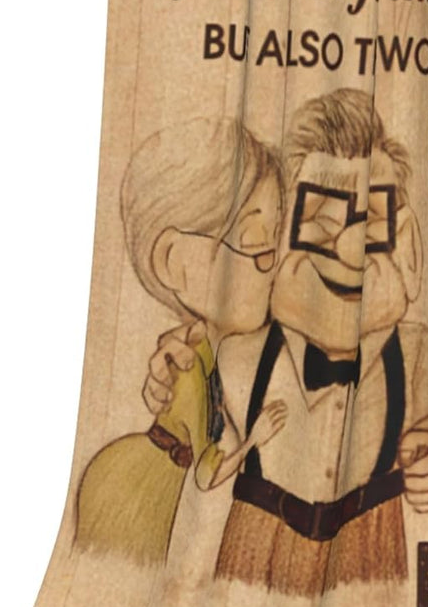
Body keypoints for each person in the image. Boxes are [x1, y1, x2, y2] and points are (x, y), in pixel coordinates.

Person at [143, 89, 428, 594]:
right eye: (318, 221)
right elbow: (196, 409)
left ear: (407, 245)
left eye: (371, 223)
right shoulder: (239, 351)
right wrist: (173, 378)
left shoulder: (416, 351)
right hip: (258, 537)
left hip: (371, 538)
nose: (348, 251)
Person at [74, 119, 288, 567]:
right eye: (256, 244)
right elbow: (210, 471)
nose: (273, 266)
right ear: (175, 263)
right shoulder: (189, 366)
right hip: (149, 493)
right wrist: (255, 440)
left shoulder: (201, 350)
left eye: (277, 242)